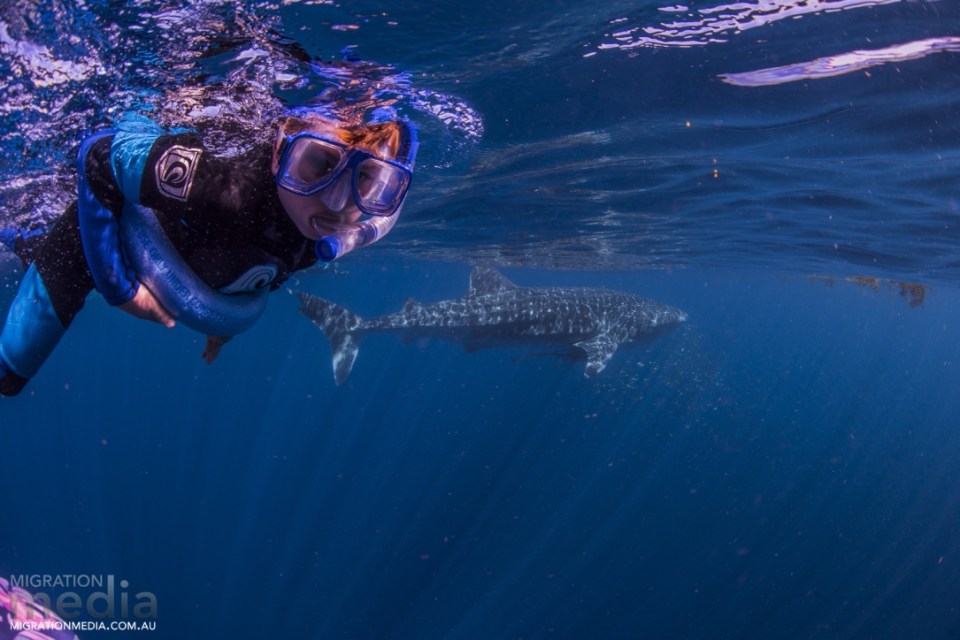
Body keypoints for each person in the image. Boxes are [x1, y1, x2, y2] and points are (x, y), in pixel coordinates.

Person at [0, 106, 418, 397]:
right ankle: (24, 235)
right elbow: (98, 157)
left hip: (181, 256)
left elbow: (272, 264)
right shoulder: (221, 191)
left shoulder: (320, 231)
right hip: (106, 229)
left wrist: (223, 320)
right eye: (320, 164)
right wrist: (119, 289)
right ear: (279, 153)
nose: (336, 204)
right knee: (9, 376)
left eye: (367, 179)